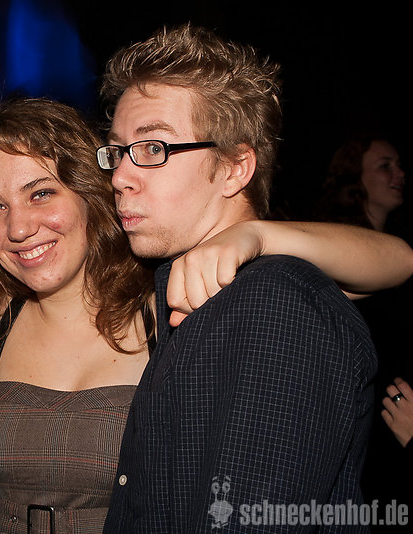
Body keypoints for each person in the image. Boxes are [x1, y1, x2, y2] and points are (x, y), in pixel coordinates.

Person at [0, 96, 413, 534]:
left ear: (90, 195)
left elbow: (396, 261)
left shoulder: (170, 300)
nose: (18, 227)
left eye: (40, 193)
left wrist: (258, 235)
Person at [98, 24, 394, 532]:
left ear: (235, 168)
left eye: (153, 148)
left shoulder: (274, 306)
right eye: (118, 151)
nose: (121, 176)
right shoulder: (195, 292)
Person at [320, 134, 412, 524]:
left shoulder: (402, 251)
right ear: (354, 178)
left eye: (399, 165)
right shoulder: (332, 253)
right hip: (361, 428)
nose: (399, 174)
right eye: (384, 166)